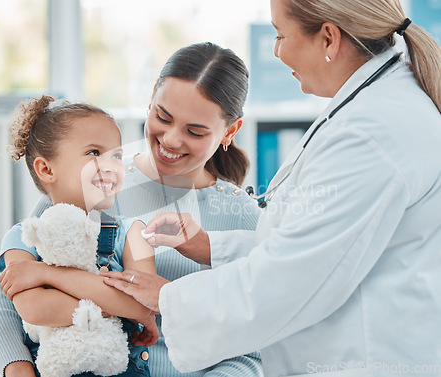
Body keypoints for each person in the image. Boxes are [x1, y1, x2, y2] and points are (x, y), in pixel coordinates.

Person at [102, 1, 441, 376]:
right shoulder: (373, 109)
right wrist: (209, 246)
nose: (276, 51)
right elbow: (316, 246)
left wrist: (167, 297)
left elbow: (292, 279)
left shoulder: (371, 133)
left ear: (328, 38)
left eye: (280, 35)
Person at [0, 42, 264, 377]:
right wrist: (17, 366)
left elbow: (250, 347)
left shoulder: (240, 216)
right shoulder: (91, 182)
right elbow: (3, 291)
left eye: (195, 131)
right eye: (163, 117)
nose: (171, 140)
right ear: (150, 100)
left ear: (230, 131)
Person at [0, 95, 158, 377]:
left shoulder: (134, 233)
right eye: (93, 153)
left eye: (116, 155)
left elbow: (141, 304)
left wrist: (47, 275)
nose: (111, 165)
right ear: (47, 169)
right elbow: (34, 308)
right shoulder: (23, 237)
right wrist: (115, 307)